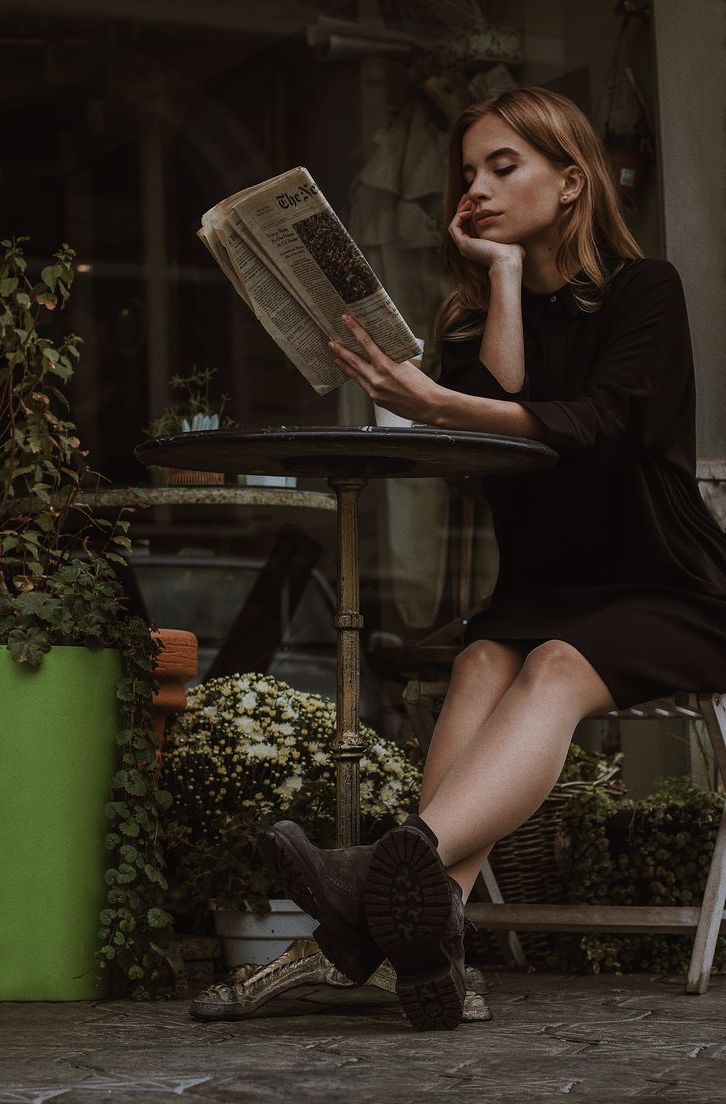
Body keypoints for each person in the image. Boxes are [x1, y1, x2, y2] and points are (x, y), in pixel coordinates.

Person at [258, 86, 726, 1032]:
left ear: (571, 178)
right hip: (547, 585)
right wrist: (502, 280)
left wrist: (436, 404)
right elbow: (497, 457)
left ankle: (380, 879)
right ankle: (429, 941)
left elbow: (599, 427)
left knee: (550, 666)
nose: (475, 188)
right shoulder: (472, 326)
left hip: (670, 583)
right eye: (467, 173)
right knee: (481, 657)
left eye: (503, 166)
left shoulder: (648, 291)